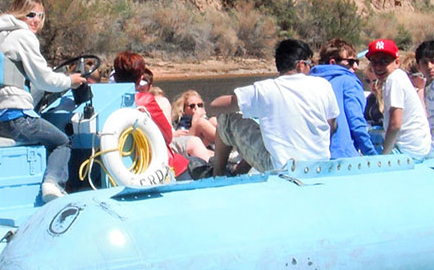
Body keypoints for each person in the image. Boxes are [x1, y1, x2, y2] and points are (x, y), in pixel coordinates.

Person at [0, 0, 86, 201]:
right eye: (30, 15)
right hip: (15, 118)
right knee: (62, 142)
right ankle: (52, 185)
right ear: (18, 14)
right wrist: (69, 80)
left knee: (41, 135)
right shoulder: (22, 36)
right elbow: (44, 79)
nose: (36, 20)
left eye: (40, 16)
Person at [209, 39, 338, 175]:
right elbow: (332, 125)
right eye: (310, 64)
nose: (311, 68)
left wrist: (238, 98)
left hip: (280, 169)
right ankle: (238, 171)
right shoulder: (324, 85)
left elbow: (215, 106)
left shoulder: (265, 89)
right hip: (318, 166)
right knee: (270, 137)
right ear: (300, 65)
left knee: (226, 117)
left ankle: (217, 175)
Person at [110, 52, 200, 179]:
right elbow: (168, 136)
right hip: (158, 166)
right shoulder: (146, 100)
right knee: (199, 166)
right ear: (140, 78)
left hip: (118, 168)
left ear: (115, 76)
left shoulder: (106, 101)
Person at [309, 39, 378, 158]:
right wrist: (372, 155)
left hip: (315, 157)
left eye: (356, 61)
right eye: (351, 62)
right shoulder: (349, 81)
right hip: (344, 157)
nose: (356, 66)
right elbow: (356, 123)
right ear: (332, 62)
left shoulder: (309, 81)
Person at [364, 38, 431, 157]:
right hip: (419, 148)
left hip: (408, 151)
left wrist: (384, 156)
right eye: (374, 62)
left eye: (384, 61)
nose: (378, 67)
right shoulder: (399, 77)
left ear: (397, 63)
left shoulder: (393, 80)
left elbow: (395, 124)